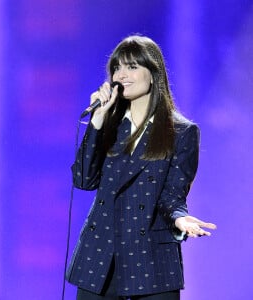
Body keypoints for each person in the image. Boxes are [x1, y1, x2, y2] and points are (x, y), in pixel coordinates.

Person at [66, 35, 216, 300]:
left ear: (153, 73)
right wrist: (97, 122)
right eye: (117, 67)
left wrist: (180, 218)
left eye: (132, 67)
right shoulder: (109, 125)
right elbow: (83, 180)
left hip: (150, 260)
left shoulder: (181, 132)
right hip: (100, 258)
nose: (121, 75)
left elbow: (172, 194)